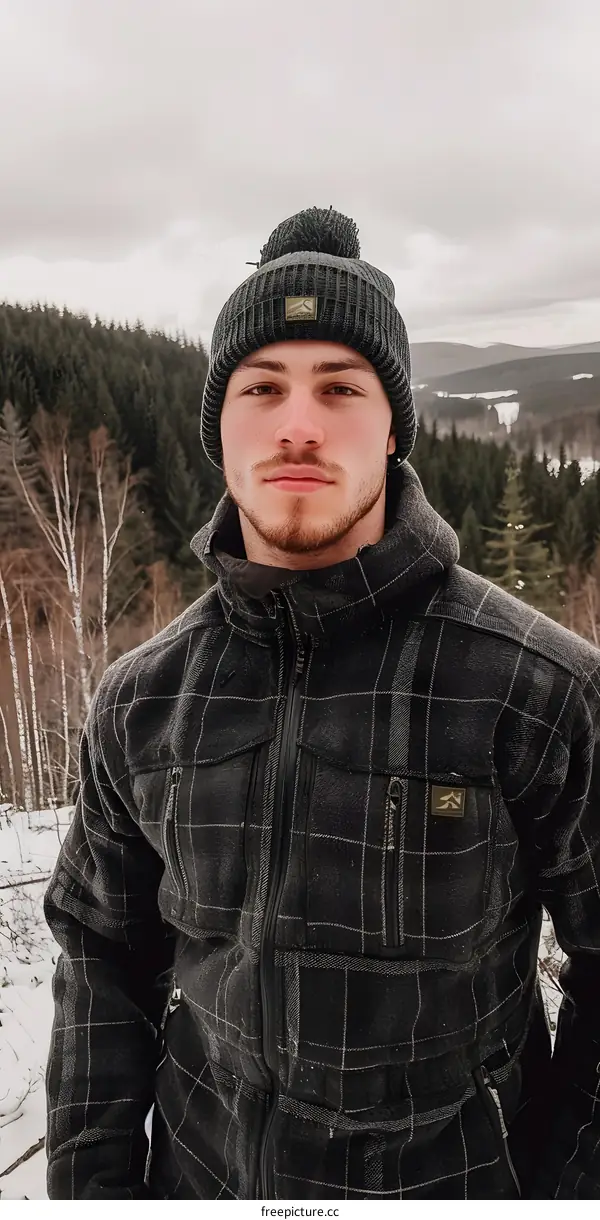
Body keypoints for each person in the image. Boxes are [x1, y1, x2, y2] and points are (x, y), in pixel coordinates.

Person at [44, 207, 600, 1201]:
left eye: (341, 387)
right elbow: (100, 957)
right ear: (220, 423)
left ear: (392, 425)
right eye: (261, 387)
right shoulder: (142, 700)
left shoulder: (537, 686)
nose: (297, 421)